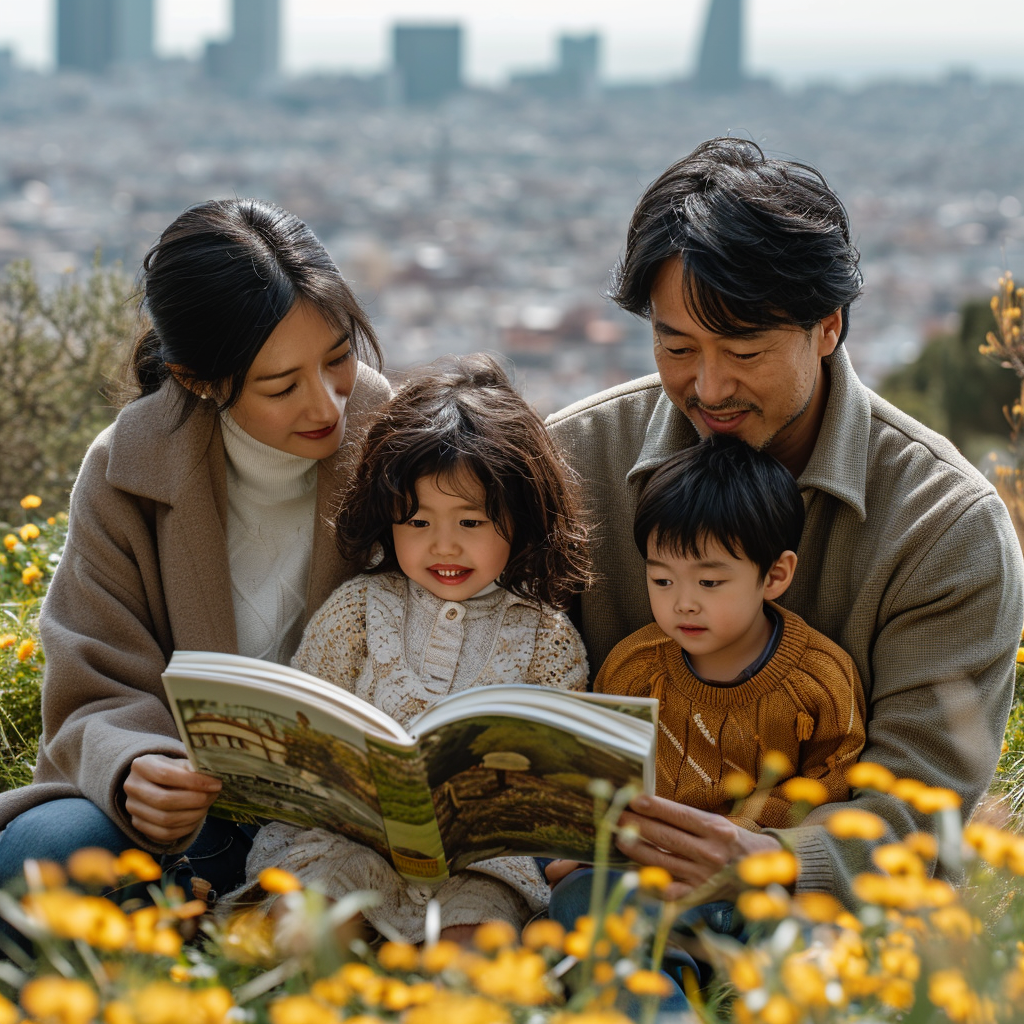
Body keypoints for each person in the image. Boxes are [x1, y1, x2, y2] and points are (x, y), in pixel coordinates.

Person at [546, 138, 1024, 911]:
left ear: (828, 327)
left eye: (744, 350)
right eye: (675, 346)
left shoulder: (942, 527)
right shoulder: (572, 463)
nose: (707, 386)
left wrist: (772, 860)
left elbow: (920, 807)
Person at [0, 198, 391, 904]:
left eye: (338, 360)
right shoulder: (127, 469)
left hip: (352, 826)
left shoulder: (395, 443)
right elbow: (91, 670)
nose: (328, 407)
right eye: (281, 386)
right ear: (196, 379)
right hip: (189, 819)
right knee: (41, 854)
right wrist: (137, 768)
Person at [234, 354, 592, 943]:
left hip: (481, 868)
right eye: (418, 522)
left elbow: (557, 791)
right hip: (344, 846)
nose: (443, 545)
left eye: (470, 522)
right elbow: (300, 735)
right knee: (305, 934)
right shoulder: (358, 610)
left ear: (520, 520)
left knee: (470, 960)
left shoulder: (548, 641)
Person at [547, 434, 866, 931]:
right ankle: (669, 1001)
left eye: (709, 582)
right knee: (578, 898)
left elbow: (834, 784)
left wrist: (741, 836)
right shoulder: (634, 669)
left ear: (776, 575)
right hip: (650, 882)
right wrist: (591, 845)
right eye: (663, 580)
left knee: (818, 932)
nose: (683, 603)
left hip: (757, 886)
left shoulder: (819, 678)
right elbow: (603, 783)